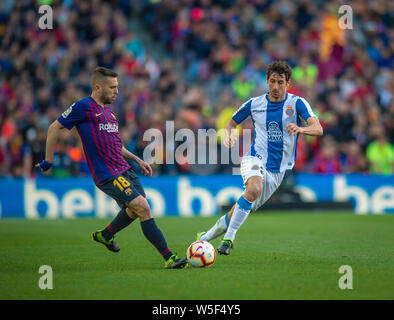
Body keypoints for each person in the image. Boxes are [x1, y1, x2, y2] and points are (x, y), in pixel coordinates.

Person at [35, 67, 188, 269]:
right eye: (113, 87)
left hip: (125, 169)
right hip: (107, 173)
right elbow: (55, 126)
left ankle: (106, 235)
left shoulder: (109, 113)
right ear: (98, 87)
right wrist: (48, 160)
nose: (117, 91)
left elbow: (117, 146)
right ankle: (169, 258)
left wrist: (138, 160)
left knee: (134, 211)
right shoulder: (83, 107)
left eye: (118, 87)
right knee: (143, 208)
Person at [197, 61, 324, 255]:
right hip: (254, 158)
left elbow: (318, 128)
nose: (275, 87)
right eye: (272, 81)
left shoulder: (297, 103)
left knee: (242, 209)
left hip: (278, 171)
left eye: (280, 82)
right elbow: (231, 122)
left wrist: (301, 128)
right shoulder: (254, 104)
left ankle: (204, 238)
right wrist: (230, 134)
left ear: (287, 83)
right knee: (254, 188)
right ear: (267, 80)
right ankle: (228, 240)